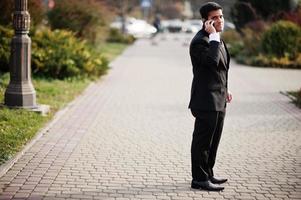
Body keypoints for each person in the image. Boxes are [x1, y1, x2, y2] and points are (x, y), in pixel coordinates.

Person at [188, 2, 232, 191]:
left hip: (219, 99)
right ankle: (199, 179)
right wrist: (213, 36)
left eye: (221, 16)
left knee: (214, 141)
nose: (220, 20)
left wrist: (226, 88)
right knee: (202, 143)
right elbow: (212, 64)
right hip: (205, 101)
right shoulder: (201, 41)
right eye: (215, 18)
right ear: (206, 21)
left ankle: (209, 174)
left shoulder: (217, 40)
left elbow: (222, 70)